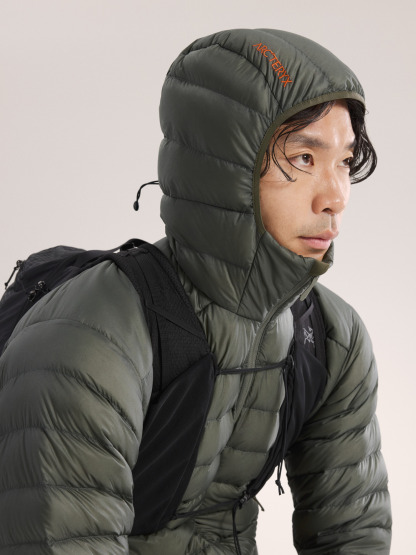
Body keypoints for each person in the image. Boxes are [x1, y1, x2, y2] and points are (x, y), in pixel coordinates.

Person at [0, 28, 391, 554]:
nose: (336, 196)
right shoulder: (91, 339)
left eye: (344, 161)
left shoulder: (329, 337)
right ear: (224, 167)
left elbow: (354, 536)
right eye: (303, 158)